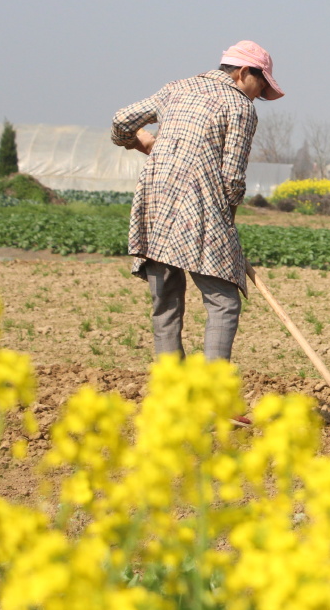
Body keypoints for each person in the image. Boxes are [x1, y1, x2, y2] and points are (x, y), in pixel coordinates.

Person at [110, 40, 284, 385]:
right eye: (261, 85)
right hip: (200, 206)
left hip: (153, 203)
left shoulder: (176, 89)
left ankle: (172, 390)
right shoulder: (240, 107)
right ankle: (213, 392)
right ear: (243, 72)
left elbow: (121, 122)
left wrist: (145, 143)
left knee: (166, 300)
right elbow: (232, 178)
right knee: (223, 302)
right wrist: (227, 224)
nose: (259, 96)